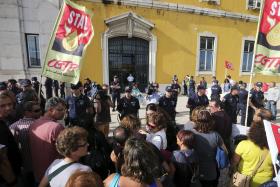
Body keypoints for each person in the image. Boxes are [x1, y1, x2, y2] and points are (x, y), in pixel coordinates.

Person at [29, 97, 66, 182]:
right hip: (54, 175)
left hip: (38, 174)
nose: (64, 112)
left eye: (64, 109)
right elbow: (65, 151)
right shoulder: (56, 127)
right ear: (50, 110)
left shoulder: (34, 124)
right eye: (60, 110)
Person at [231, 121, 274, 187]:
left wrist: (233, 171)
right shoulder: (273, 148)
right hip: (265, 183)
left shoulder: (243, 144)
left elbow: (234, 161)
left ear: (253, 132)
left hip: (244, 180)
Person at [9, 101, 42, 186]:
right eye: (36, 110)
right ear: (27, 112)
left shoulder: (13, 126)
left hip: (25, 166)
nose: (40, 112)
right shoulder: (42, 125)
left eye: (40, 109)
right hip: (35, 166)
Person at [193, 110, 227, 187]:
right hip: (211, 171)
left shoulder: (192, 134)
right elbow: (225, 151)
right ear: (211, 121)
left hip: (196, 170)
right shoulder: (216, 135)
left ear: (197, 120)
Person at [0, 91, 22, 185]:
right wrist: (12, 180)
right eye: (2, 106)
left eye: (9, 104)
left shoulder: (3, 121)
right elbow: (2, 158)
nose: (8, 108)